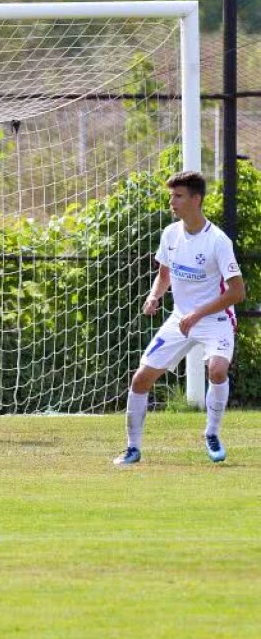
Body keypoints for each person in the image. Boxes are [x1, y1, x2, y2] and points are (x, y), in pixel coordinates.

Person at [114, 170, 245, 465]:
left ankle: (211, 433)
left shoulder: (218, 241)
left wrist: (198, 314)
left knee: (218, 370)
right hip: (180, 319)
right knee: (141, 378)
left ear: (196, 199)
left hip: (215, 320)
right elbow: (165, 274)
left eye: (178, 196)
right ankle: (132, 448)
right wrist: (154, 296)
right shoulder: (170, 234)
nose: (172, 202)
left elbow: (237, 292)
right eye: (171, 196)